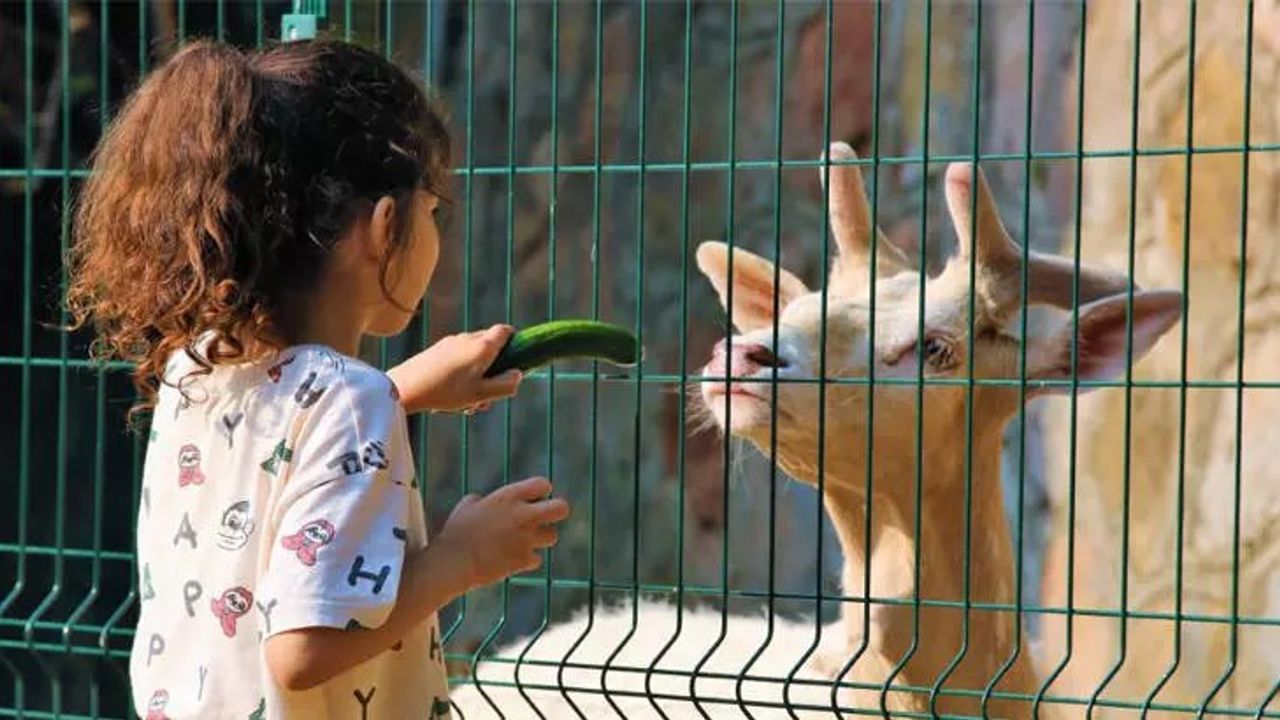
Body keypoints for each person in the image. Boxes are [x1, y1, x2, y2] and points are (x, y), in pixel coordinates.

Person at [65, 37, 569, 719]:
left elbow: (275, 450)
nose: (435, 230)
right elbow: (305, 649)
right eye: (433, 209)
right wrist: (463, 557)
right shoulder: (351, 402)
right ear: (383, 226)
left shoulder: (201, 364)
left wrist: (405, 388)